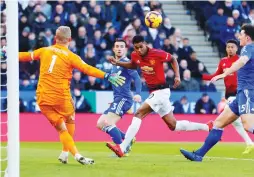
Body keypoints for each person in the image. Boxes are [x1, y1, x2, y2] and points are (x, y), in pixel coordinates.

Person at [18, 26, 125, 165]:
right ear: (69, 39)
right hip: (61, 97)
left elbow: (25, 56)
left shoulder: (44, 50)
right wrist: (106, 75)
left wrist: (6, 53)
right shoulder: (71, 56)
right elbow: (87, 69)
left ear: (55, 38)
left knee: (61, 129)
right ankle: (73, 153)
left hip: (42, 98)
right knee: (69, 120)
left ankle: (66, 154)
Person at [106, 35, 211, 158]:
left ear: (145, 44)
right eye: (136, 48)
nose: (139, 50)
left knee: (139, 113)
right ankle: (207, 126)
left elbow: (173, 59)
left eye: (141, 47)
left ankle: (122, 148)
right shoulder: (135, 55)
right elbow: (133, 65)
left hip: (161, 91)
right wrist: (118, 62)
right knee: (173, 125)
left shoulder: (157, 53)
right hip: (155, 93)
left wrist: (177, 76)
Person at [180, 24, 254, 162]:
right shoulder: (249, 49)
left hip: (247, 92)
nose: (239, 36)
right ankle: (198, 155)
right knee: (218, 123)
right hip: (241, 94)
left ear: (247, 37)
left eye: (241, 34)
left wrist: (225, 73)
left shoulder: (248, 49)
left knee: (248, 126)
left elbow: (241, 62)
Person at [202, 39, 254, 154]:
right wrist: (201, 76)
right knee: (236, 122)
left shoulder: (242, 59)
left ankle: (248, 142)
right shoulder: (223, 61)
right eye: (228, 47)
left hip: (239, 94)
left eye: (232, 47)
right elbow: (216, 75)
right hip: (229, 95)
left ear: (236, 49)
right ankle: (249, 143)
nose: (230, 49)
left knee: (237, 122)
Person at [96, 39, 142, 156]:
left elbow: (137, 78)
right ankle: (128, 139)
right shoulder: (115, 64)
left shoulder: (127, 63)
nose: (119, 48)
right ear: (113, 49)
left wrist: (138, 93)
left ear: (125, 49)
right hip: (117, 99)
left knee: (108, 122)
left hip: (124, 98)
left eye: (122, 46)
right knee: (100, 124)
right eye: (117, 46)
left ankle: (121, 150)